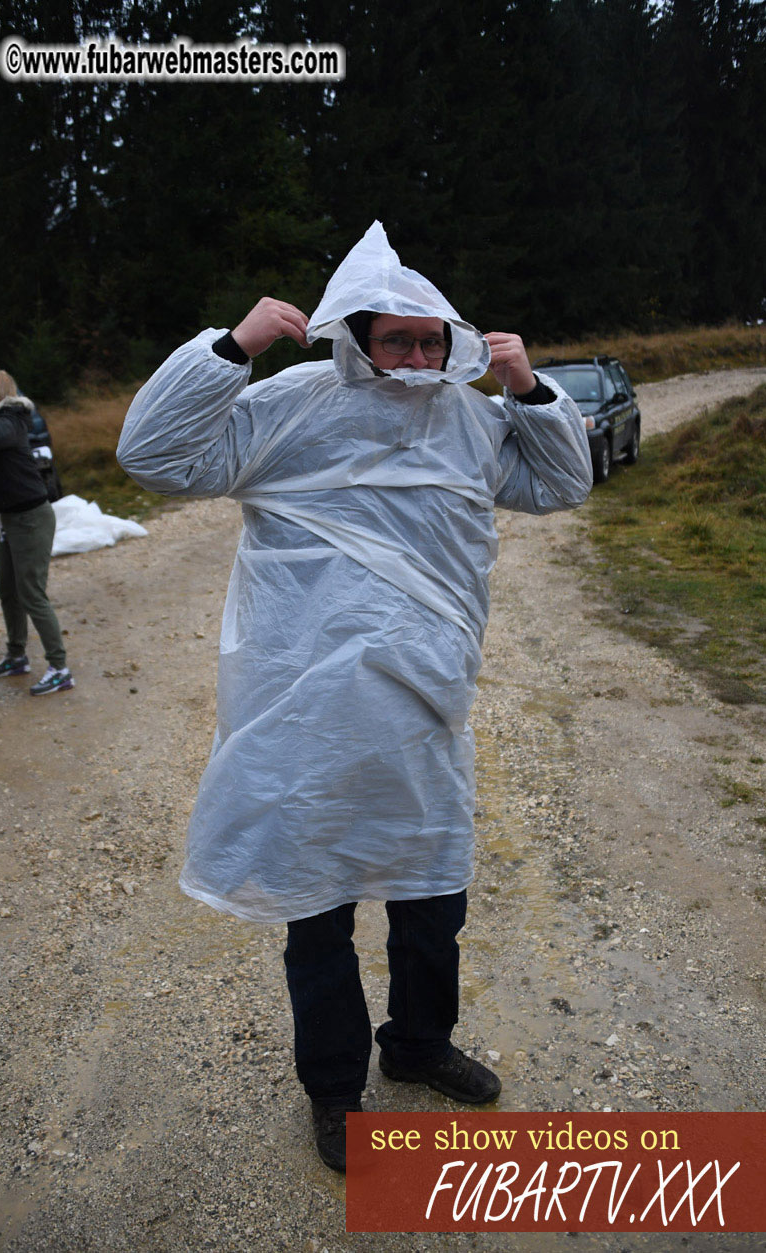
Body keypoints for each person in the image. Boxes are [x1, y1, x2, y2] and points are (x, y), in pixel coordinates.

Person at [117, 223, 592, 1171]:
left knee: (431, 899)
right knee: (319, 905)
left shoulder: (467, 415)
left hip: (423, 707)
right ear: (354, 337)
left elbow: (560, 485)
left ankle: (416, 1047)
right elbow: (154, 457)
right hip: (306, 710)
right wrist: (232, 348)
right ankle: (334, 1091)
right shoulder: (292, 404)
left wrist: (528, 389)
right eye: (395, 341)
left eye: (430, 341)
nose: (416, 359)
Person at [0, 367, 74, 696]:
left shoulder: (11, 418)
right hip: (9, 518)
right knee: (8, 591)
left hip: (30, 517)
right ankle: (16, 656)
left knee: (31, 594)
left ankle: (59, 667)